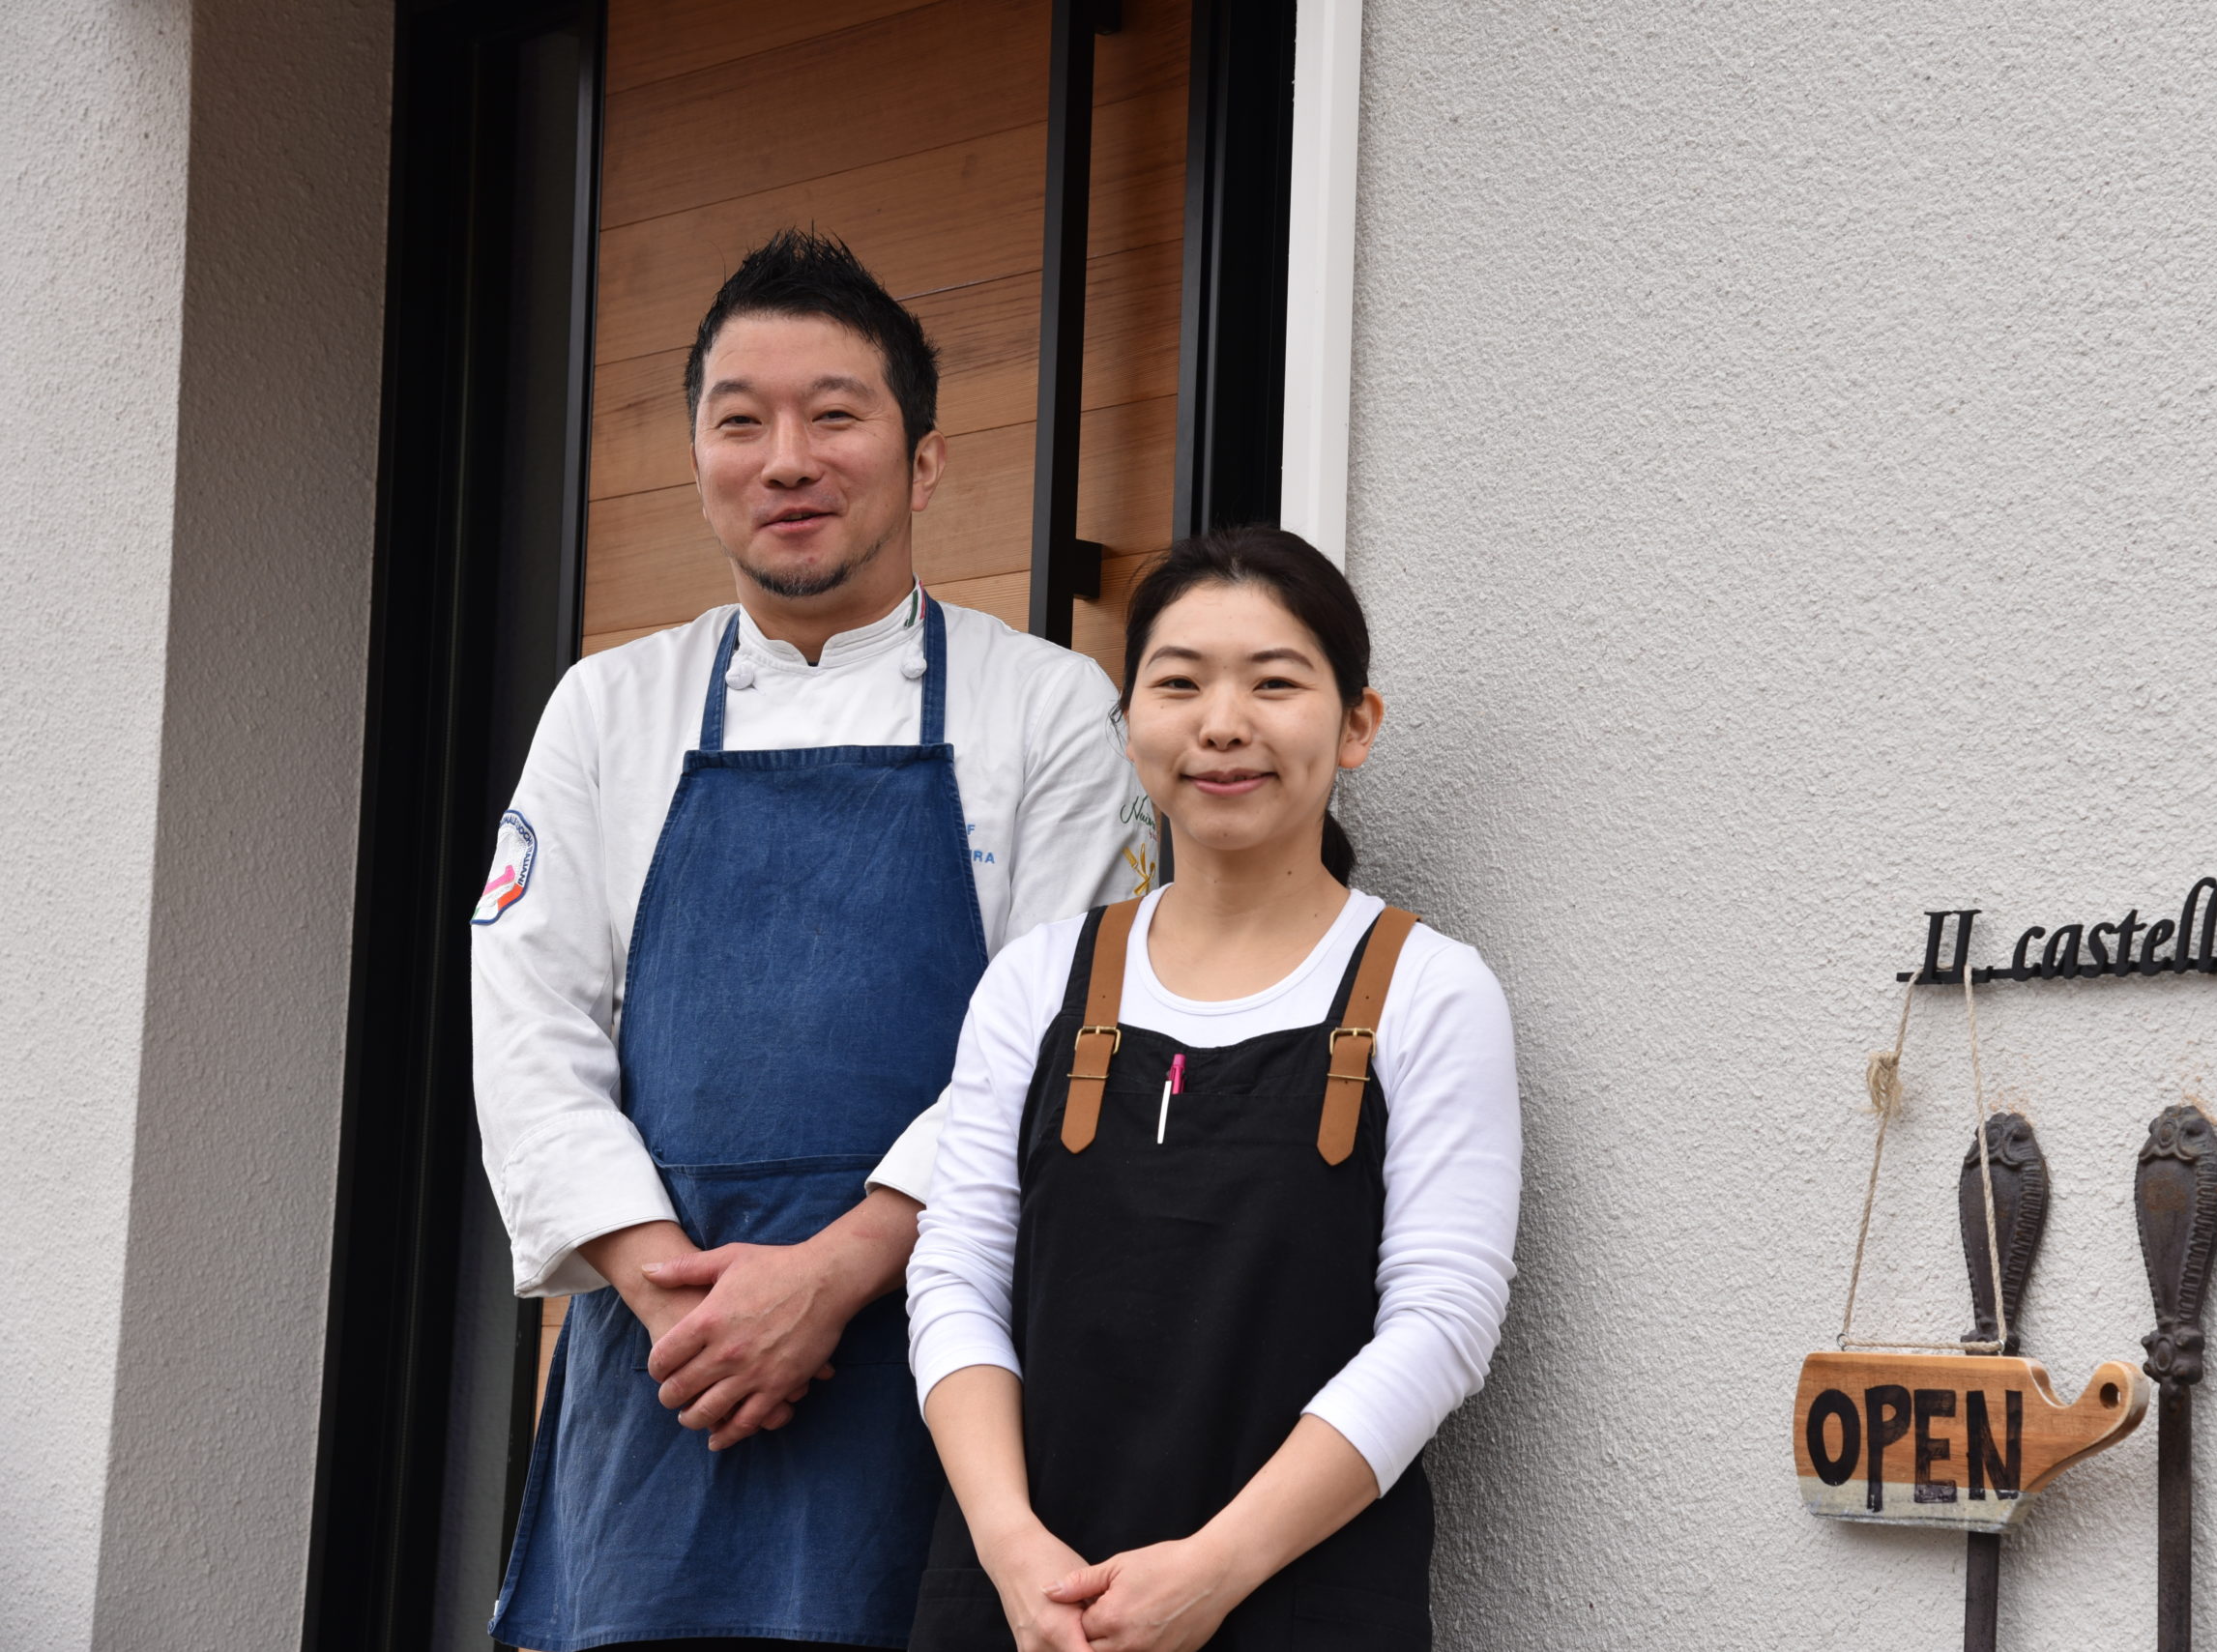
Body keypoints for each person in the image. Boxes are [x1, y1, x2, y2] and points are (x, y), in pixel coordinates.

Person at [474, 230, 1145, 1651]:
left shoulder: (1051, 709)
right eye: (740, 420)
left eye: (835, 414)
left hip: (934, 1353)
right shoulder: (606, 710)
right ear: (699, 458)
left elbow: (1054, 1040)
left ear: (925, 458)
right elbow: (526, 1026)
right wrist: (678, 1296)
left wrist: (835, 1274)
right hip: (667, 1373)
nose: (787, 458)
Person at [902, 528, 1522, 1652]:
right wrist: (1009, 1543)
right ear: (1129, 719)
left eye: (1275, 682)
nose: (1222, 723)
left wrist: (1215, 1569)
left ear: (1357, 725)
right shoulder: (1038, 977)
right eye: (1178, 682)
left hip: (1300, 1597)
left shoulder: (1429, 988)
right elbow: (954, 1276)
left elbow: (1442, 1323)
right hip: (1024, 1606)